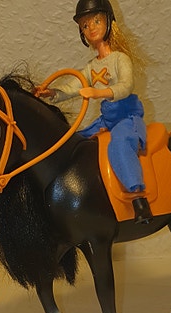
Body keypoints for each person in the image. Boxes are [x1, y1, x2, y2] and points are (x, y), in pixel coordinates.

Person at [36, 0, 153, 223]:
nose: (90, 28)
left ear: (108, 22)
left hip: (126, 117)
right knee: (76, 142)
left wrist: (98, 93)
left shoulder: (120, 59)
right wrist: (52, 93)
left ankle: (139, 200)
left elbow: (126, 86)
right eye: (85, 25)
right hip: (107, 119)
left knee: (120, 144)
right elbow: (74, 86)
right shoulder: (91, 66)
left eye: (96, 21)